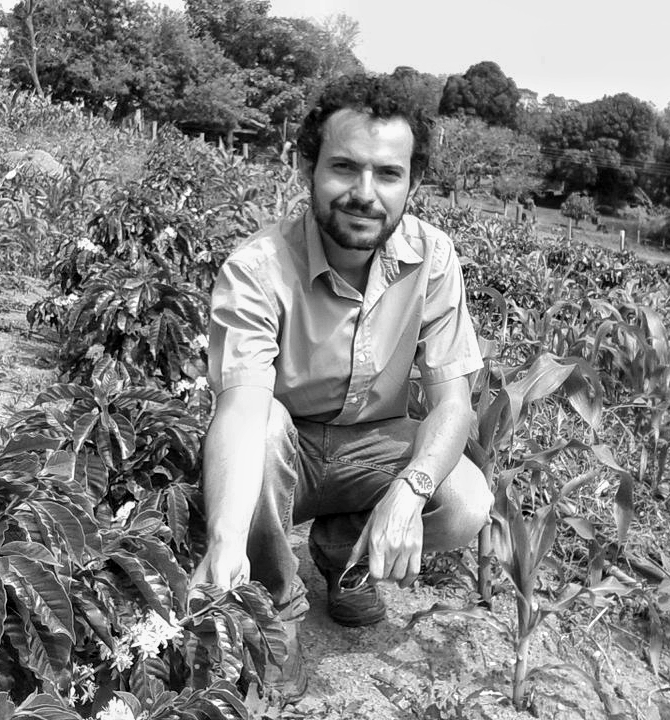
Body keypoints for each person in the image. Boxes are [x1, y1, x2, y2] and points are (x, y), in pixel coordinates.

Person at [190, 74, 493, 701]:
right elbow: (243, 404)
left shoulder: (433, 258)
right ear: (308, 167)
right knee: (267, 425)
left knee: (463, 501)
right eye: (344, 168)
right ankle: (274, 606)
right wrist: (222, 540)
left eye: (387, 173)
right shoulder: (258, 269)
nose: (364, 193)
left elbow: (452, 400)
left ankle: (342, 555)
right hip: (287, 451)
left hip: (372, 448)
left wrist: (410, 491)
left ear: (413, 183)